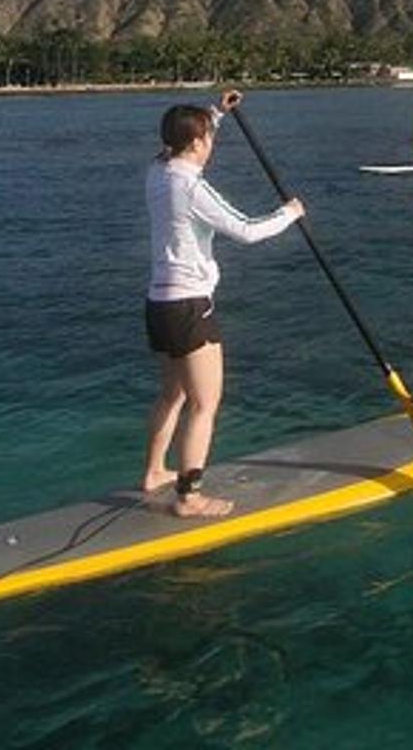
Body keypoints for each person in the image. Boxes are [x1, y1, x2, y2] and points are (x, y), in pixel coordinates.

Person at [142, 89, 304, 518]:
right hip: (190, 307)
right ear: (195, 144)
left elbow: (176, 143)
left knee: (172, 396)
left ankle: (155, 472)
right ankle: (189, 497)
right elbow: (247, 230)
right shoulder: (191, 187)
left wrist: (217, 112)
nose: (210, 143)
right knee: (204, 405)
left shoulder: (156, 172)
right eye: (207, 137)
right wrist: (289, 213)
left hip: (158, 305)